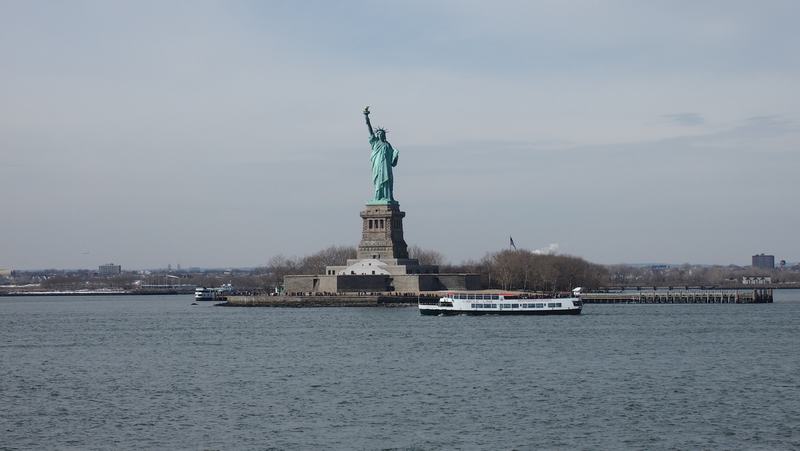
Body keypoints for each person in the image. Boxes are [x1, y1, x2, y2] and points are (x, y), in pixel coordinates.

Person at [363, 106, 398, 203]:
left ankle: (388, 197)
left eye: (381, 133)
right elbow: (369, 129)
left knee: (388, 180)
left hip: (386, 166)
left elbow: (392, 160)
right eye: (378, 133)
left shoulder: (387, 144)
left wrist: (396, 155)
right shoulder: (375, 142)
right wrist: (366, 116)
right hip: (377, 165)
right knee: (378, 180)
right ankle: (378, 197)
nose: (379, 134)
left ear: (384, 135)